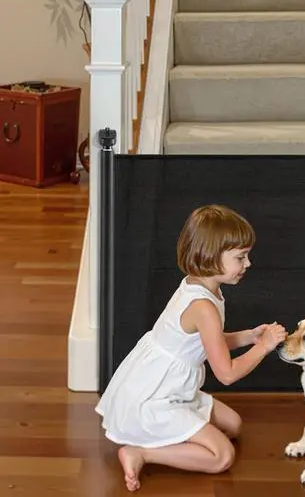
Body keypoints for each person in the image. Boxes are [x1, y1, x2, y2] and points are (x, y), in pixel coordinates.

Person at [95, 204, 287, 492]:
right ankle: (142, 452)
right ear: (211, 256)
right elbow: (227, 374)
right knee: (222, 456)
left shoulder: (201, 286)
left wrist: (250, 337)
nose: (248, 263)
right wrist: (265, 348)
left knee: (233, 425)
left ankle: (173, 436)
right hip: (156, 397)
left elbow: (205, 343)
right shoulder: (202, 306)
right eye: (240, 257)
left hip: (174, 387)